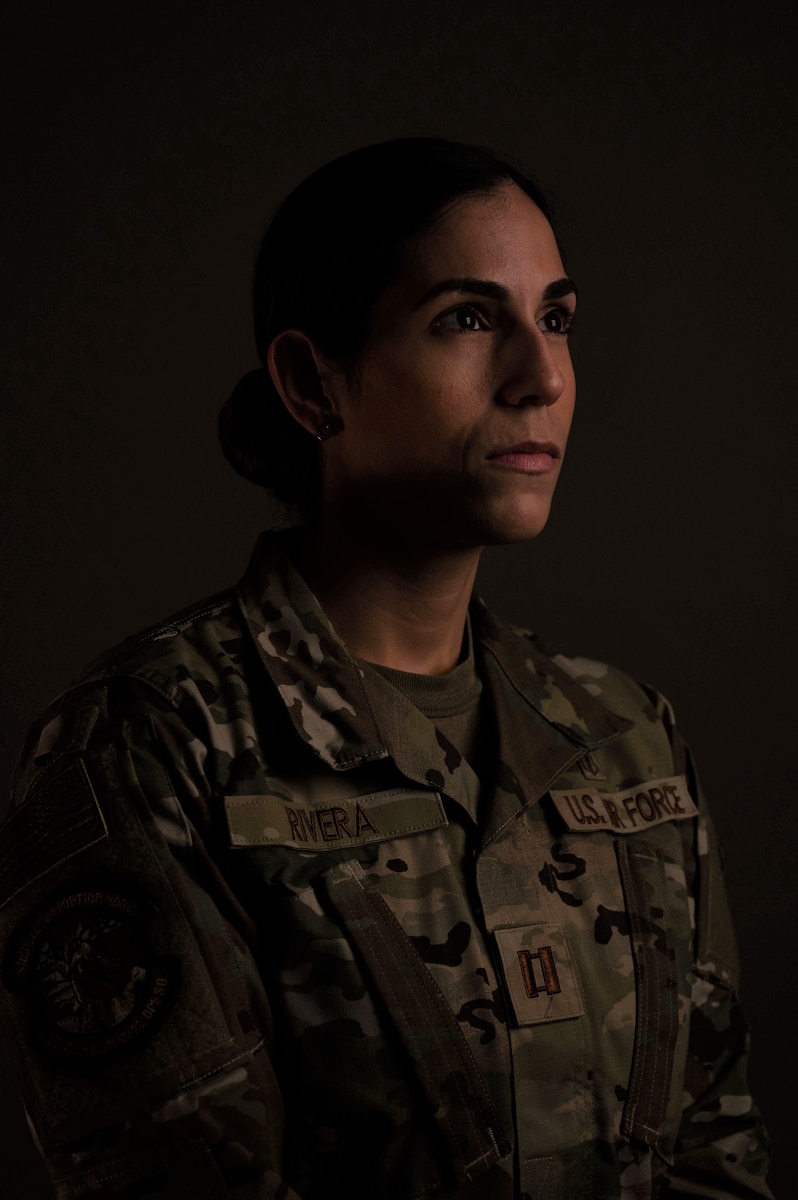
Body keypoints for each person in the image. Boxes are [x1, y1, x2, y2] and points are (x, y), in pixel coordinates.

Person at [0, 138, 772, 1200]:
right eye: (466, 317)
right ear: (314, 382)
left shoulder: (625, 730)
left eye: (556, 318)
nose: (541, 376)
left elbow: (715, 1155)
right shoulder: (151, 744)